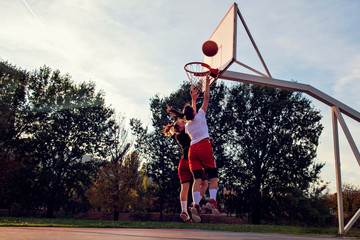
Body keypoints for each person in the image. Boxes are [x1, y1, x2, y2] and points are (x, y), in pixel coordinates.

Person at [167, 75, 220, 223]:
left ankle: (195, 205)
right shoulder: (199, 117)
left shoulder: (188, 127)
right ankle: (212, 200)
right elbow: (207, 98)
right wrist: (207, 83)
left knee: (197, 180)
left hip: (192, 152)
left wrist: (194, 100)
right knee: (213, 177)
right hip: (203, 147)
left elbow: (191, 115)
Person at [163, 118, 208, 223]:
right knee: (204, 183)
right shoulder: (188, 132)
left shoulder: (178, 136)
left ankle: (184, 211)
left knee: (184, 188)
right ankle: (194, 204)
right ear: (180, 127)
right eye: (182, 123)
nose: (185, 123)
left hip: (182, 163)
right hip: (191, 161)